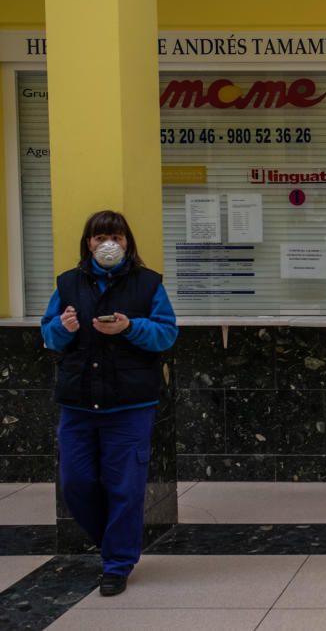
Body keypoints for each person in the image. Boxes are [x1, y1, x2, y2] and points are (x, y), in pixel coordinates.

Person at [41, 211, 178, 596]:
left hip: (130, 406)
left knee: (125, 487)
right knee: (76, 482)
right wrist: (61, 328)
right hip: (79, 405)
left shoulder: (148, 284)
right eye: (100, 237)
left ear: (127, 241)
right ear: (87, 242)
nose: (108, 244)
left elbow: (166, 334)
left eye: (115, 236)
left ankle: (117, 564)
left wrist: (130, 327)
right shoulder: (68, 284)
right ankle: (114, 541)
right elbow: (49, 336)